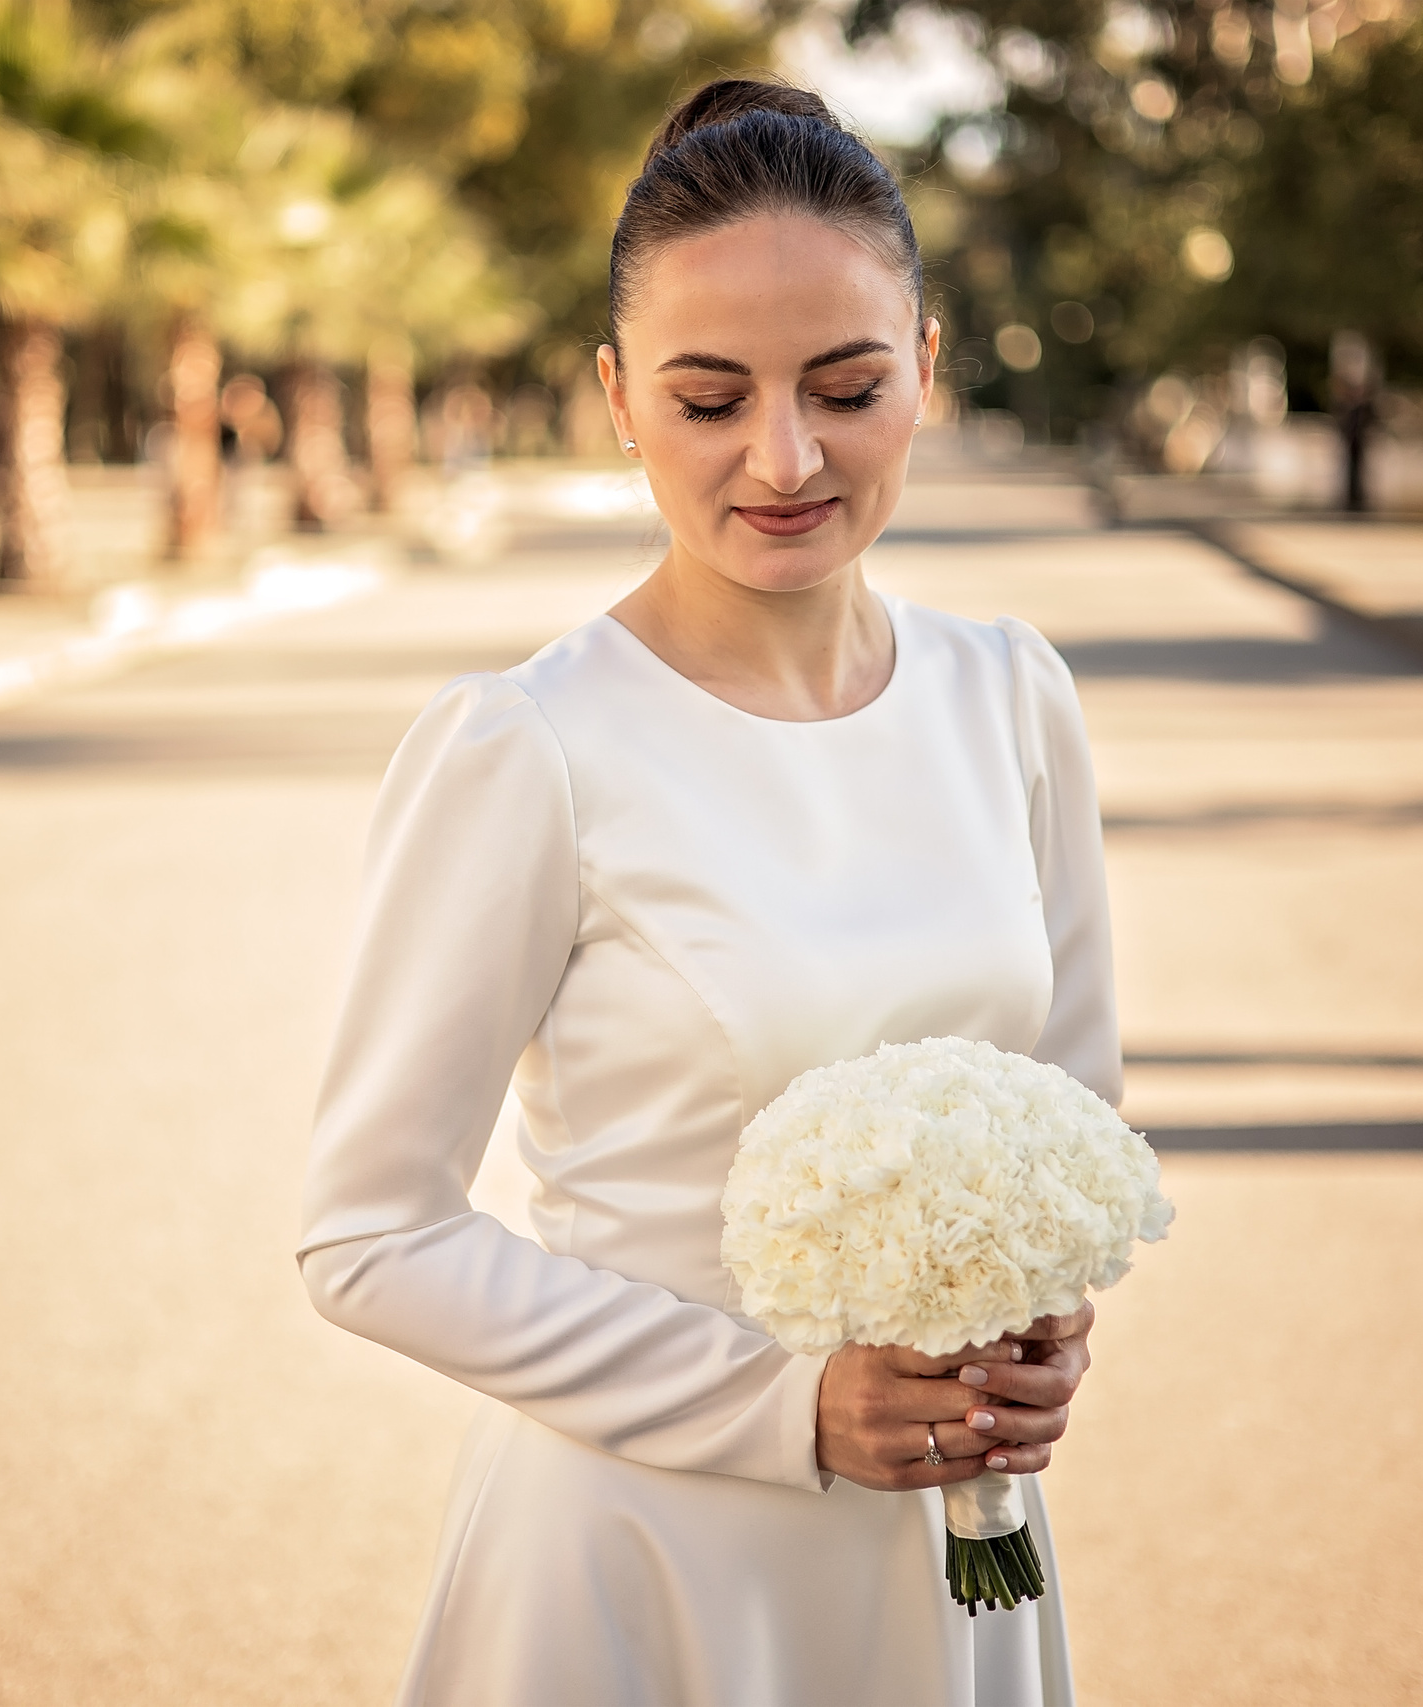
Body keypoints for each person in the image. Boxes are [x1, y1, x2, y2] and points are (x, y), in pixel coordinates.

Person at [297, 78, 1114, 1707]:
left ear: (928, 371)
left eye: (846, 386)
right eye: (708, 398)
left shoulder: (1011, 696)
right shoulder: (529, 745)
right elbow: (369, 1233)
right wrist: (786, 1409)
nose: (784, 457)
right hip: (642, 1562)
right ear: (617, 396)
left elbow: (1077, 1110)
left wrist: (1044, 1328)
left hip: (956, 1548)